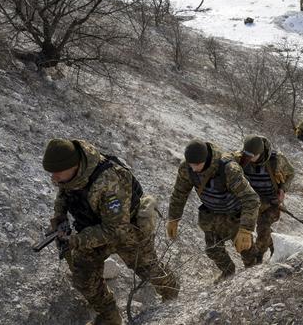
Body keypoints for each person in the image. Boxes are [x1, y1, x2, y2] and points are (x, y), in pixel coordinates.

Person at [43, 139, 179, 325]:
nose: (53, 178)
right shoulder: (70, 174)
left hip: (128, 230)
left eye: (56, 173)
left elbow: (116, 230)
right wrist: (59, 217)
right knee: (83, 277)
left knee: (150, 270)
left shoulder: (109, 181)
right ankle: (110, 318)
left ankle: (175, 302)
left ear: (74, 166)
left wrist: (76, 240)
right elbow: (64, 193)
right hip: (92, 230)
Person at [166, 139, 260, 281]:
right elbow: (180, 193)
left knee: (244, 248)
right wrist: (173, 218)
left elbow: (251, 199)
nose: (194, 169)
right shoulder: (187, 168)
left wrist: (246, 229)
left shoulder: (228, 169)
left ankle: (254, 273)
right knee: (213, 250)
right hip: (212, 214)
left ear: (206, 159)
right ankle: (228, 273)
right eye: (191, 164)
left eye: (197, 165)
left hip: (235, 215)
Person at [233, 135, 295, 265]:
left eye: (252, 155)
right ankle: (276, 244)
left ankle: (257, 261)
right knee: (257, 231)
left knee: (263, 229)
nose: (248, 158)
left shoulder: (276, 159)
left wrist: (283, 189)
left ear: (260, 153)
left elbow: (291, 173)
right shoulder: (239, 159)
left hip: (272, 202)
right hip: (252, 202)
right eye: (246, 154)